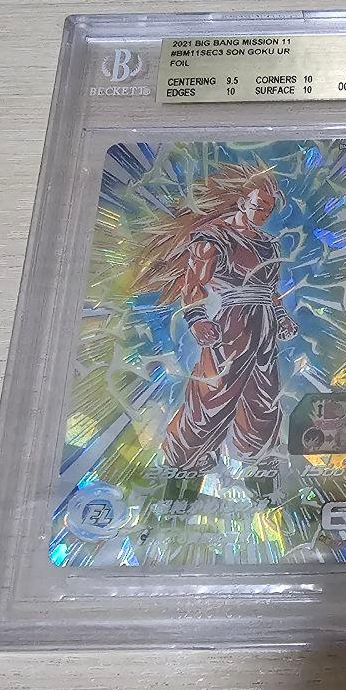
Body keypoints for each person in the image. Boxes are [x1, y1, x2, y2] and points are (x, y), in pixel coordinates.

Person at [133, 162, 298, 501]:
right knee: (212, 396)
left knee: (264, 401)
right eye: (258, 206)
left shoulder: (268, 244)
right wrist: (197, 319)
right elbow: (193, 285)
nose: (264, 214)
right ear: (242, 201)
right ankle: (182, 476)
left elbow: (270, 289)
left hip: (263, 325)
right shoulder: (213, 238)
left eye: (268, 209)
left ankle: (261, 479)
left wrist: (281, 316)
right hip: (230, 324)